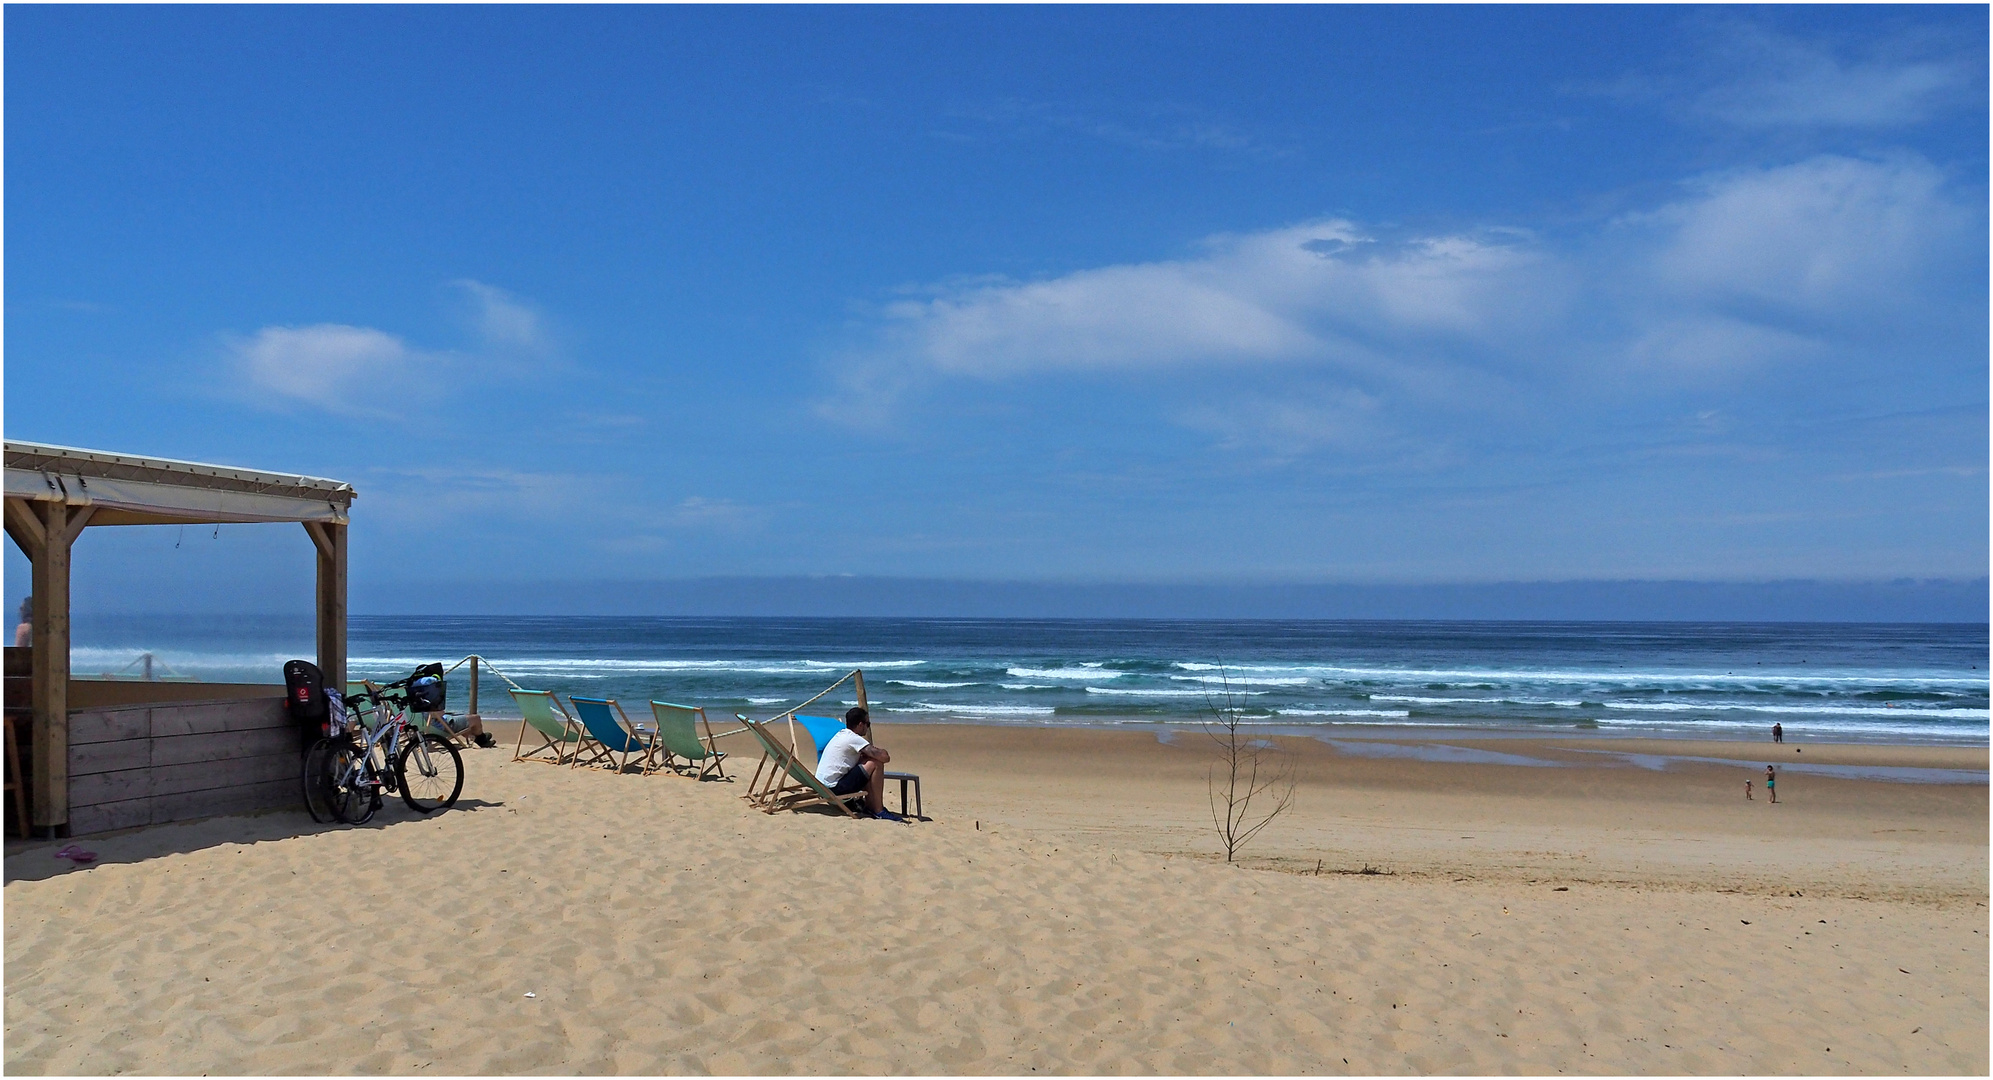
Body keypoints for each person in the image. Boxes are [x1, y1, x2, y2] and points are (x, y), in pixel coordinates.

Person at [814, 706, 902, 820]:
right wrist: (881, 752)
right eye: (868, 724)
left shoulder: (842, 734)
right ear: (861, 724)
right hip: (834, 788)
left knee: (867, 761)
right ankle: (879, 810)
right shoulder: (854, 739)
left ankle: (871, 806)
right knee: (876, 763)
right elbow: (885, 757)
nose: (868, 727)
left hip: (822, 786)